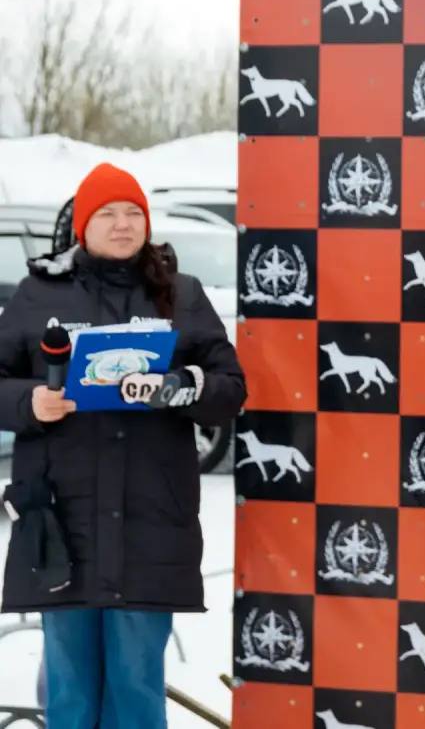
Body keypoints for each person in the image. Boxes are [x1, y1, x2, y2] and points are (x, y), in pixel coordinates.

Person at [0, 162, 246, 728]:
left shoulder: (181, 295)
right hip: (60, 524)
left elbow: (230, 389)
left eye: (133, 213)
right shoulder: (38, 295)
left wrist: (181, 386)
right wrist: (29, 402)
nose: (122, 224)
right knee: (70, 693)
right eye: (107, 213)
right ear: (82, 226)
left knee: (136, 690)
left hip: (151, 524)